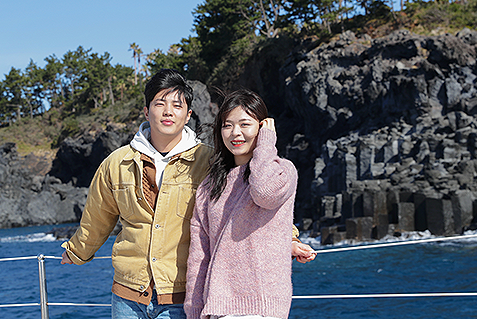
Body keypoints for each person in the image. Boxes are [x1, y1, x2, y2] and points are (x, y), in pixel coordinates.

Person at [61, 70, 314, 319]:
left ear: (188, 114)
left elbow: (250, 201)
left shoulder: (210, 162)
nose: (168, 112)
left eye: (177, 105)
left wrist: (289, 239)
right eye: (160, 104)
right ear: (147, 111)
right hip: (128, 295)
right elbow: (97, 217)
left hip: (179, 296)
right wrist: (77, 252)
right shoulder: (117, 163)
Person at [184, 89, 314, 319]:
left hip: (263, 308)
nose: (235, 133)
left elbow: (264, 193)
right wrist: (194, 312)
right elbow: (199, 255)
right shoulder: (209, 186)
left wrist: (266, 144)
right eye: (227, 125)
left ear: (262, 128)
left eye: (245, 124)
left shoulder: (282, 171)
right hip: (219, 309)